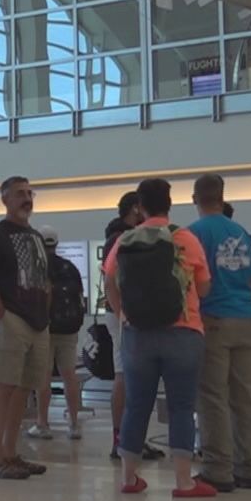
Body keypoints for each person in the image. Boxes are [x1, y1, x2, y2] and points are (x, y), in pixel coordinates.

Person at [105, 178, 214, 499]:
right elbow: (205, 287)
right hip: (183, 331)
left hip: (137, 334)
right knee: (181, 406)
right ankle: (183, 481)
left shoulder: (125, 240)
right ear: (169, 203)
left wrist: (123, 313)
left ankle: (129, 478)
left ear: (140, 206)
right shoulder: (185, 238)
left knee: (137, 405)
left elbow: (110, 281)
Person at [0, 176, 52, 480]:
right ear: (5, 199)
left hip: (37, 322)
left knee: (24, 387)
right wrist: (2, 315)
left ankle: (10, 452)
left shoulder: (34, 236)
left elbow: (44, 279)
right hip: (13, 320)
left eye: (29, 193)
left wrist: (44, 314)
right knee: (5, 385)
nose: (26, 198)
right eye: (20, 194)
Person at [190, 173, 251, 494]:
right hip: (248, 319)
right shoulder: (241, 232)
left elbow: (191, 283)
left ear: (194, 198)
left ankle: (217, 468)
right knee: (245, 396)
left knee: (212, 395)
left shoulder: (194, 234)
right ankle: (248, 467)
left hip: (214, 319)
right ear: (222, 196)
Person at [103, 191, 157, 462]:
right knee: (125, 373)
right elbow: (110, 279)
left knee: (130, 374)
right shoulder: (122, 239)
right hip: (125, 314)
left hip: (126, 312)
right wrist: (122, 312)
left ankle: (129, 438)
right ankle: (122, 439)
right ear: (137, 209)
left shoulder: (120, 237)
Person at [28, 227, 86, 441]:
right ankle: (73, 423)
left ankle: (43, 423)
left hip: (45, 329)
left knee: (43, 376)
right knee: (69, 375)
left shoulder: (37, 268)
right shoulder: (70, 268)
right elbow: (81, 298)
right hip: (69, 328)